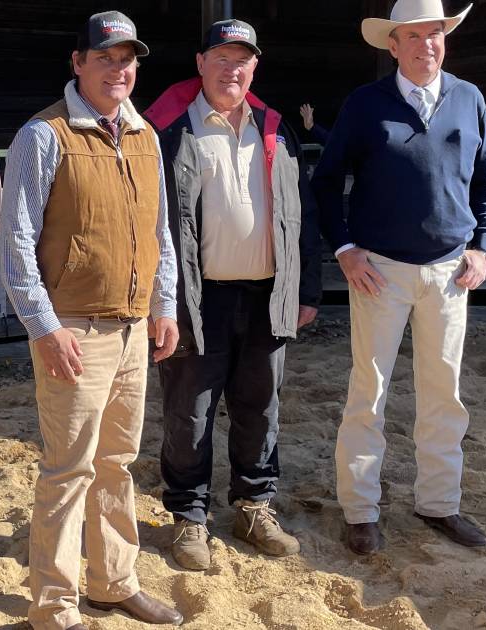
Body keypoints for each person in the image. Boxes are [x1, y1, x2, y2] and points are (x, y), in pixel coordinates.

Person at [0, 10, 184, 629]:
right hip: (72, 327)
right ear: (77, 63)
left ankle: (113, 581)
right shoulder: (45, 136)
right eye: (104, 57)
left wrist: (164, 304)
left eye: (127, 59)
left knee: (116, 463)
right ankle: (54, 604)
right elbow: (17, 240)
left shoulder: (145, 136)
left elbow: (159, 231)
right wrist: (43, 326)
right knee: (67, 468)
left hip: (133, 328)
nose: (118, 69)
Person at [310, 0, 486, 555]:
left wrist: (483, 247)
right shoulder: (365, 105)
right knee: (367, 391)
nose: (427, 45)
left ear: (446, 38)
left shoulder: (469, 99)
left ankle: (440, 504)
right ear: (392, 46)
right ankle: (361, 509)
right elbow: (327, 181)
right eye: (414, 36)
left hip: (449, 273)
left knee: (444, 393)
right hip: (381, 272)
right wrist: (345, 249)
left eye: (436, 33)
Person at [141, 19, 323, 571]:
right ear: (200, 64)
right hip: (196, 297)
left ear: (254, 67)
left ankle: (254, 506)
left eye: (242, 59)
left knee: (261, 406)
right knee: (189, 412)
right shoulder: (167, 129)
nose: (232, 68)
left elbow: (303, 212)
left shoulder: (274, 126)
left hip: (267, 294)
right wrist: (157, 300)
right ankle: (189, 517)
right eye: (221, 57)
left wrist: (305, 287)